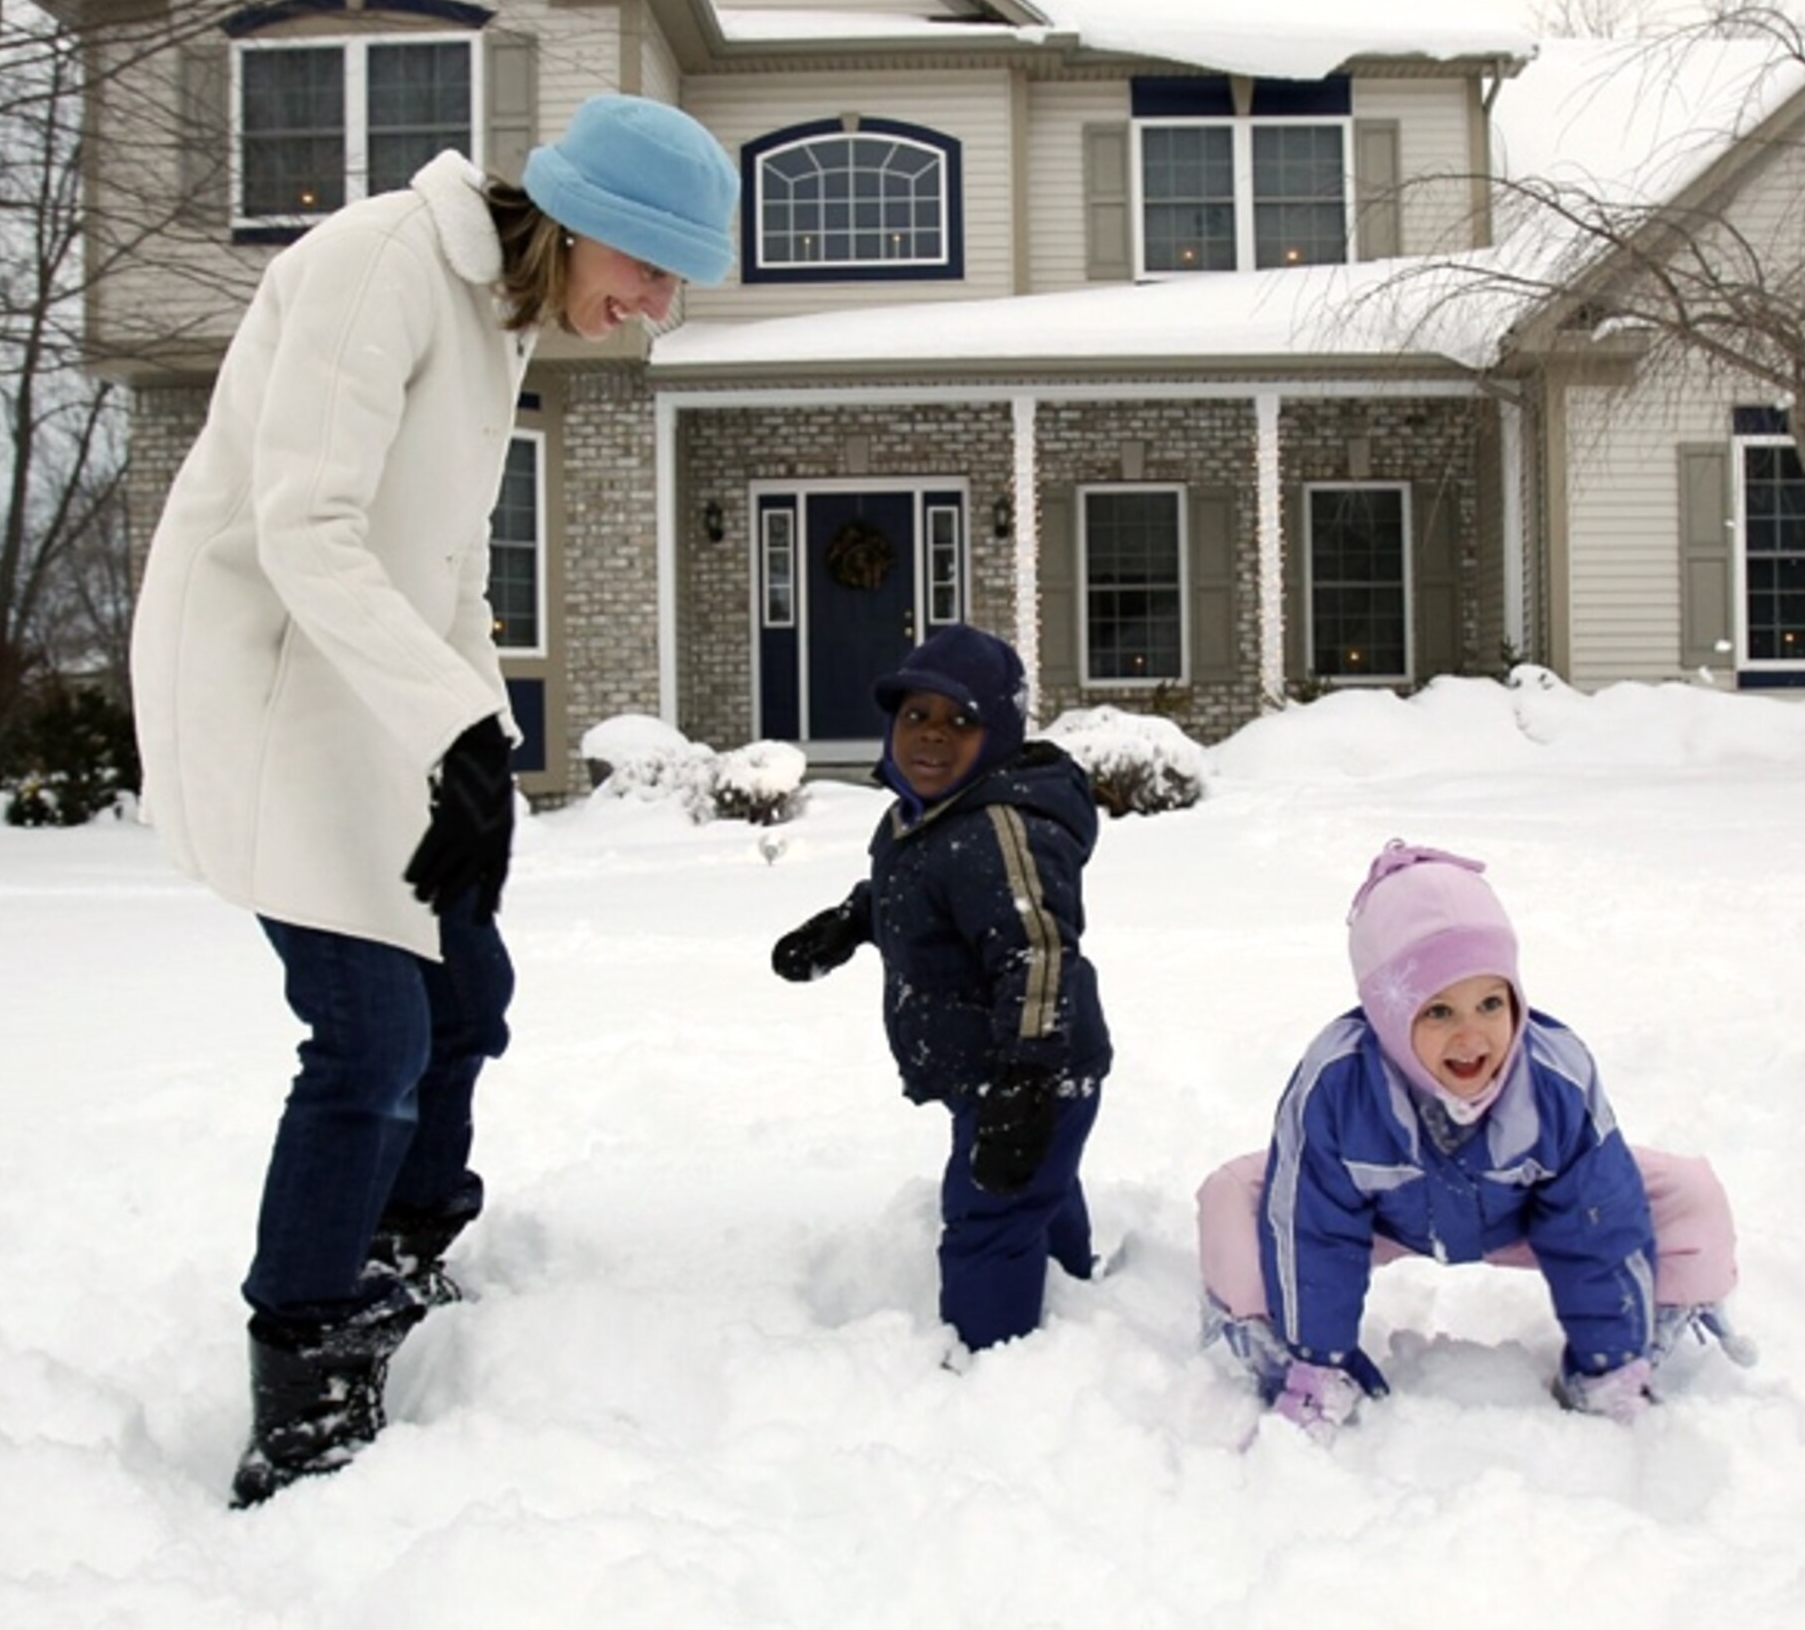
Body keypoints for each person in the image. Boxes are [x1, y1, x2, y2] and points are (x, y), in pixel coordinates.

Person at [131, 93, 741, 1505]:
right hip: (271, 689)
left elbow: (454, 572)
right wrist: (450, 725)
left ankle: (399, 1245)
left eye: (672, 284)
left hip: (379, 700)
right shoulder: (386, 260)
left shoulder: (497, 321)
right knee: (368, 1035)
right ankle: (303, 1364)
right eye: (647, 267)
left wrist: (487, 750)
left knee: (464, 993)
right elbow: (304, 524)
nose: (653, 304)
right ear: (581, 221)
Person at [1195, 841, 1750, 1436]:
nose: (1471, 1034)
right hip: (1381, 1222)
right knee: (1235, 1196)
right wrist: (1319, 1357)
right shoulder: (1337, 1087)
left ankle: (1645, 1340)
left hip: (1525, 1219)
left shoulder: (1555, 1081)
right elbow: (1316, 1229)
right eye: (1437, 1012)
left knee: (1689, 1194)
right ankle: (1282, 1355)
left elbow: (1597, 1226)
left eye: (1489, 1003)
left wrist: (1606, 1356)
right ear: (1387, 1016)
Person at [769, 624, 1112, 1354]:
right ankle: (1080, 1305)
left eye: (962, 721)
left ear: (999, 737)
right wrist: (848, 923)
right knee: (1034, 1191)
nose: (931, 736)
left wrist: (1025, 1082)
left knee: (989, 1217)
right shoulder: (923, 817)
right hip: (996, 1066)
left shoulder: (999, 830)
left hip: (1031, 1066)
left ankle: (993, 1362)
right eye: (916, 716)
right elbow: (919, 894)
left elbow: (1039, 952)